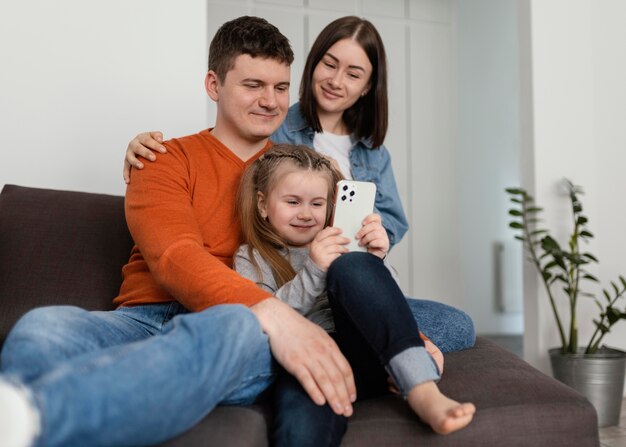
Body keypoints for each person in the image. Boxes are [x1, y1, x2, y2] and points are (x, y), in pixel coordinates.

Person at [0, 16, 357, 447]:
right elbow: (174, 258)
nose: (270, 100)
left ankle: (36, 420)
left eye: (280, 87)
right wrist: (273, 313)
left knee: (233, 327)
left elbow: (336, 266)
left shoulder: (301, 174)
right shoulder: (162, 159)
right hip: (142, 321)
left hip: (235, 325)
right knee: (42, 327)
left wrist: (400, 336)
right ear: (214, 85)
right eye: (252, 85)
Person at [122, 15, 476, 354]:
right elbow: (178, 250)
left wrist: (370, 247)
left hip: (309, 288)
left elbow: (370, 232)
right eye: (330, 65)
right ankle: (352, 350)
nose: (269, 100)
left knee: (453, 324)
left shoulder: (342, 157)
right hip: (252, 297)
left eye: (279, 88)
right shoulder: (246, 137)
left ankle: (355, 350)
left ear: (368, 86)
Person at [234, 144, 475, 446]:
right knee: (300, 413)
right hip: (309, 359)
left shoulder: (343, 242)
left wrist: (377, 259)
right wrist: (314, 269)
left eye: (317, 204)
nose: (306, 214)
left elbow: (388, 310)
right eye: (293, 202)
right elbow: (264, 323)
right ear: (262, 204)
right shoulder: (251, 257)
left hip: (365, 350)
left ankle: (422, 388)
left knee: (351, 265)